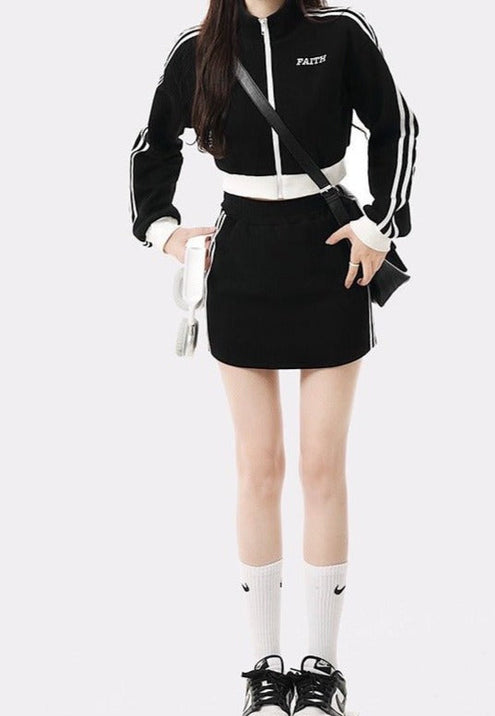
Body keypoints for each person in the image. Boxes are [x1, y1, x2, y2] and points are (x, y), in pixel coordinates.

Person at [129, 1, 419, 714]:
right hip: (242, 263)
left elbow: (398, 125)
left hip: (331, 260)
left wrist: (379, 225)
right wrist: (162, 229)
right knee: (258, 467)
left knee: (322, 465)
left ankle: (321, 670)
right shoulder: (197, 48)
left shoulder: (339, 31)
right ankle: (263, 670)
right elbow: (152, 144)